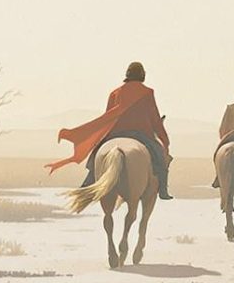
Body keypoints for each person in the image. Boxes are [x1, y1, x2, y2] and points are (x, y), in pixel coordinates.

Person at [46, 61, 173, 199]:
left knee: (96, 155)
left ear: (127, 75)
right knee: (160, 158)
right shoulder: (148, 93)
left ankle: (88, 183)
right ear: (143, 75)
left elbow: (108, 118)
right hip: (141, 134)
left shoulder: (115, 93)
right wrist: (165, 141)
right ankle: (163, 190)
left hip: (116, 133)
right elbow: (154, 118)